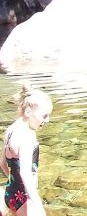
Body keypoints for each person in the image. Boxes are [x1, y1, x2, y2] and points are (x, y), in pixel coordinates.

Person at [2, 85, 51, 216]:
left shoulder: (11, 130)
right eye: (44, 115)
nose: (47, 120)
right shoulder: (27, 137)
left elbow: (2, 163)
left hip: (10, 194)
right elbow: (25, 173)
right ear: (28, 112)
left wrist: (13, 184)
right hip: (24, 198)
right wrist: (38, 205)